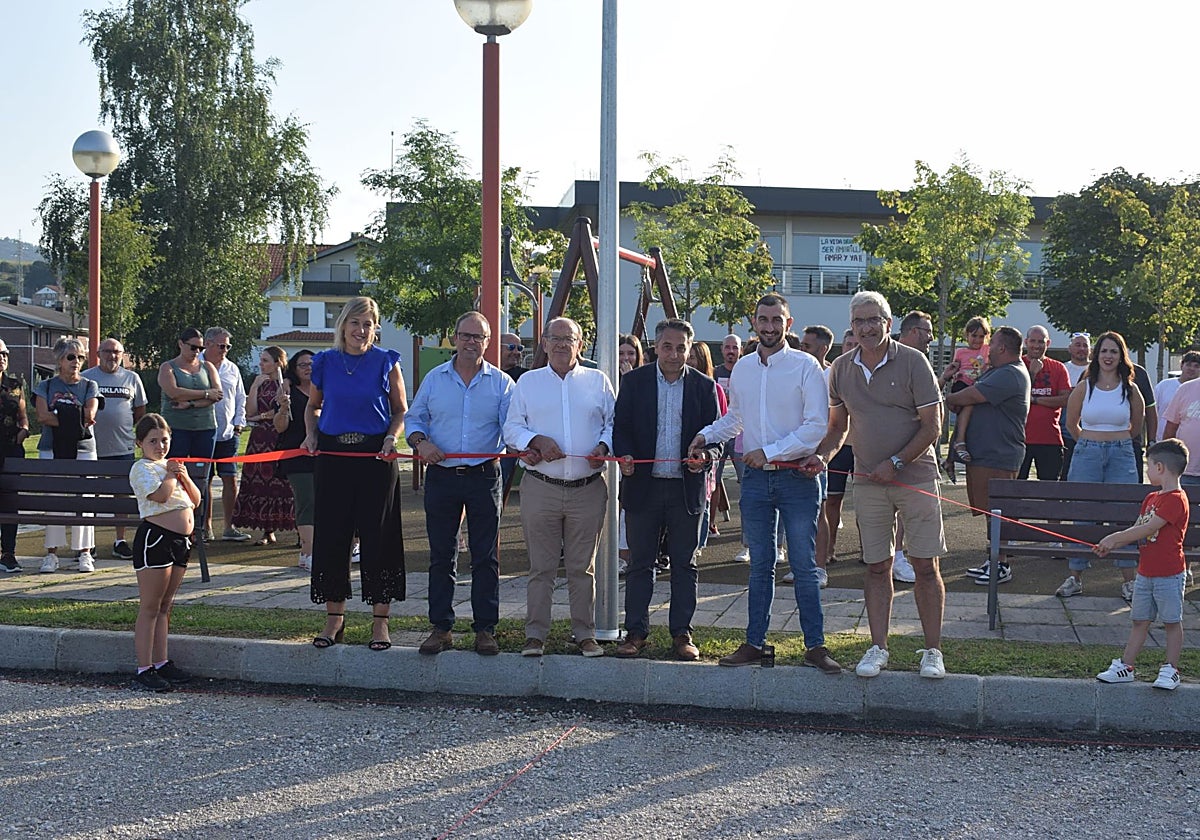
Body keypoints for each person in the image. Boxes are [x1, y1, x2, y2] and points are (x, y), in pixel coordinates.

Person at [689, 293, 841, 673]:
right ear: (753, 322)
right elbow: (735, 418)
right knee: (760, 565)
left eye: (777, 320)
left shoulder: (807, 367)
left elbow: (816, 427)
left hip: (796, 480)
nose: (770, 326)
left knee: (805, 567)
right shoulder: (742, 368)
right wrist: (705, 436)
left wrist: (771, 452)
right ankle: (755, 642)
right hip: (756, 482)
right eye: (763, 319)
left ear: (789, 324)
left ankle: (815, 646)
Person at [811, 293, 947, 679]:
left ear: (889, 323)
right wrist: (821, 457)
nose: (867, 328)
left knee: (924, 565)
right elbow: (838, 429)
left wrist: (898, 462)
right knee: (876, 566)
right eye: (859, 321)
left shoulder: (914, 361)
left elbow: (932, 427)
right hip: (868, 481)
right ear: (850, 326)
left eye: (875, 320)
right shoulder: (840, 368)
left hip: (917, 477)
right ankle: (878, 647)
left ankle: (933, 651)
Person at [504, 316, 614, 658]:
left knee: (583, 568)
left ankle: (585, 633)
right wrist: (534, 439)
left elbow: (613, 423)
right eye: (557, 339)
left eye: (570, 339)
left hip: (588, 487)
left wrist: (604, 448)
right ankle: (535, 635)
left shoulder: (598, 381)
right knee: (541, 567)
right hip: (541, 487)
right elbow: (511, 428)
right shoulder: (528, 383)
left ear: (580, 344)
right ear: (545, 343)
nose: (563, 345)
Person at [614, 318, 722, 662]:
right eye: (667, 347)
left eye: (681, 348)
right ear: (655, 347)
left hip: (685, 490)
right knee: (639, 564)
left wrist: (704, 456)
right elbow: (621, 428)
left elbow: (716, 438)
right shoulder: (633, 383)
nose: (674, 354)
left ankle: (681, 633)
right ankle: (636, 631)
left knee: (684, 565)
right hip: (643, 487)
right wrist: (625, 455)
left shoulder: (705, 388)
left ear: (690, 350)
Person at [406, 312, 512, 657]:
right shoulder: (435, 379)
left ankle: (485, 628)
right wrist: (421, 442)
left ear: (487, 341)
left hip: (484, 476)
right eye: (465, 335)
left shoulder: (501, 384)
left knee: (485, 557)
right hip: (442, 476)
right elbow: (414, 418)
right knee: (441, 555)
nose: (471, 342)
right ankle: (441, 627)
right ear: (454, 337)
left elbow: (513, 428)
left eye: (478, 337)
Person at [304, 296, 407, 651]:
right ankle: (335, 619)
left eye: (368, 324)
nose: (361, 331)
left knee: (379, 539)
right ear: (343, 326)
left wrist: (392, 438)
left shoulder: (386, 362)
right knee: (333, 537)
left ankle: (381, 623)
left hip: (375, 458)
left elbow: (399, 410)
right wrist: (311, 433)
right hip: (333, 457)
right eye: (355, 323)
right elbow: (313, 407)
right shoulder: (325, 362)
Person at [1093, 439, 1189, 691]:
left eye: (1148, 465)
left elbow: (1149, 528)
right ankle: (1126, 666)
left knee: (1171, 621)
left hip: (1169, 574)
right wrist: (1110, 543)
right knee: (1140, 620)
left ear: (1160, 467)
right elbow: (1138, 528)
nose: (1146, 471)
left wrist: (1113, 539)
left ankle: (1171, 669)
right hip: (1145, 572)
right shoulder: (1150, 498)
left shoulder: (1176, 499)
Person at [1057, 330, 1144, 600]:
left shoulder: (1131, 388)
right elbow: (1071, 424)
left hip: (1122, 454)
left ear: (1121, 356)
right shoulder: (1085, 386)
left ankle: (1129, 580)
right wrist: (1091, 443)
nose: (1108, 356)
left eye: (1114, 351)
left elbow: (1137, 427)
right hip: (1087, 454)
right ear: (1097, 355)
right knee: (1082, 513)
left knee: (1124, 516)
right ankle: (1075, 577)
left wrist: (1115, 442)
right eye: (1104, 351)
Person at [947, 326, 1030, 586]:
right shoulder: (998, 371)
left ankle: (1002, 563)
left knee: (998, 512)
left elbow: (972, 395)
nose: (987, 348)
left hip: (999, 454)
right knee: (990, 512)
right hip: (987, 454)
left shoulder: (1011, 374)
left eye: (992, 343)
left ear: (1002, 348)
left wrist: (950, 397)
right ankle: (994, 559)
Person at [128, 413, 202, 692]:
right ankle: (144, 667)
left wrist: (182, 476)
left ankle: (161, 661)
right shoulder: (142, 468)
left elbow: (195, 500)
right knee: (150, 605)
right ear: (140, 443)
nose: (160, 446)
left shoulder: (171, 467)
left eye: (165, 440)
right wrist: (171, 476)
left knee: (165, 605)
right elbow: (159, 496)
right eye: (153, 441)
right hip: (155, 538)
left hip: (180, 541)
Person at [34, 338, 100, 573]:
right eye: (71, 357)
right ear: (60, 360)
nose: (76, 362)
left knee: (84, 499)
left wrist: (60, 414)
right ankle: (51, 553)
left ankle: (84, 552)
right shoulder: (46, 386)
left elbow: (89, 414)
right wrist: (73, 417)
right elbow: (42, 416)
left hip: (83, 448)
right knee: (54, 500)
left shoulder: (90, 385)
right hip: (52, 448)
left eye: (81, 357)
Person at [84, 337, 148, 560]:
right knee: (91, 494)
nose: (112, 356)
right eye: (108, 351)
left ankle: (120, 540)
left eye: (117, 352)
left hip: (122, 448)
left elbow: (140, 410)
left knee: (120, 496)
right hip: (92, 447)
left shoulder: (132, 378)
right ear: (99, 353)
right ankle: (87, 542)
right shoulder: (87, 377)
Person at [889, 311, 937, 585]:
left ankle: (898, 555)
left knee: (912, 512)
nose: (931, 337)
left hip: (915, 454)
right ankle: (893, 557)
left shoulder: (921, 363)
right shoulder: (891, 358)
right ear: (915, 331)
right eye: (927, 331)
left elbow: (931, 415)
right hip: (887, 452)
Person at [230, 346, 295, 545]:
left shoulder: (286, 383)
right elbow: (250, 414)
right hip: (259, 439)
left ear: (277, 363)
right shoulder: (260, 382)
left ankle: (300, 530)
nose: (261, 364)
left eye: (265, 360)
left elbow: (287, 409)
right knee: (260, 484)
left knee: (284, 484)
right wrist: (254, 388)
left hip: (280, 436)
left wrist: (265, 416)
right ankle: (267, 531)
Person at [793, 324, 836, 587]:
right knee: (795, 513)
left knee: (818, 511)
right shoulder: (796, 371)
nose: (801, 349)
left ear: (823, 349)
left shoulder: (830, 376)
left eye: (806, 346)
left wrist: (822, 454)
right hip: (793, 451)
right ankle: (802, 565)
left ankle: (819, 567)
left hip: (817, 455)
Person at [201, 327, 249, 542]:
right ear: (207, 344)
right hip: (202, 432)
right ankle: (205, 526)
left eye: (228, 346)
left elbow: (240, 398)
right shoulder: (195, 365)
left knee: (230, 479)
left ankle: (229, 527)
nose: (225, 350)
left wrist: (239, 423)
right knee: (205, 480)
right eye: (221, 346)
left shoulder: (232, 369)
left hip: (229, 433)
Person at [272, 349, 315, 570]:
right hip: (296, 454)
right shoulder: (287, 392)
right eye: (303, 364)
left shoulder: (324, 390)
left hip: (323, 454)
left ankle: (310, 550)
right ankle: (307, 551)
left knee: (325, 501)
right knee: (306, 499)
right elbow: (280, 427)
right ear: (294, 369)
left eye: (311, 363)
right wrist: (283, 408)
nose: (308, 368)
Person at [157, 327, 221, 462]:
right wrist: (206, 393)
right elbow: (174, 393)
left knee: (202, 471)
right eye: (193, 347)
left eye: (201, 348)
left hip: (205, 428)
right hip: (176, 428)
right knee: (174, 470)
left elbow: (217, 395)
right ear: (181, 344)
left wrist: (190, 403)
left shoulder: (208, 367)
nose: (197, 352)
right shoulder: (167, 367)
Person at [686, 340, 727, 550]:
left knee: (707, 494)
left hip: (705, 453)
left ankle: (701, 538)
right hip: (686, 455)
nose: (687, 360)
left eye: (692, 357)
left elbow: (721, 423)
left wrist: (705, 443)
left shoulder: (713, 388)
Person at [1018, 326, 1071, 482]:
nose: (1036, 345)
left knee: (1050, 488)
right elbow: (1016, 396)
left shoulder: (1058, 368)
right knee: (1015, 487)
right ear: (1026, 342)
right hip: (1019, 438)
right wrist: (1032, 374)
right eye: (1033, 341)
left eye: (1041, 341)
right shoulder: (1017, 364)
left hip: (1050, 439)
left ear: (1048, 343)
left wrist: (1035, 400)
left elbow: (1065, 399)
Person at [939, 316, 991, 475]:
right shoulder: (961, 352)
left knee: (968, 414)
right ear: (966, 336)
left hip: (978, 384)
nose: (977, 340)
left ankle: (952, 457)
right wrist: (951, 372)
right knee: (968, 404)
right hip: (962, 384)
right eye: (974, 336)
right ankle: (959, 443)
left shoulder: (987, 350)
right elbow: (955, 368)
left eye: (981, 336)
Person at [0, 339, 30, 573]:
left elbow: (23, 416)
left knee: (10, 503)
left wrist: (24, 431)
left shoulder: (14, 385)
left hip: (10, 451)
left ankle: (8, 553)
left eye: (4, 354)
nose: (1, 357)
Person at [1059, 332, 1092, 480]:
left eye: (1085, 345)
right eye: (1078, 345)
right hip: (1066, 434)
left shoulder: (1097, 371)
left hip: (1090, 432)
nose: (1081, 348)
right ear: (1070, 348)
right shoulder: (1062, 369)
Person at [1154, 351, 1200, 441]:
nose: (1191, 369)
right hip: (1161, 441)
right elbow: (1152, 412)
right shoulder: (1163, 386)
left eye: (1196, 366)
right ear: (1182, 365)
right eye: (1189, 365)